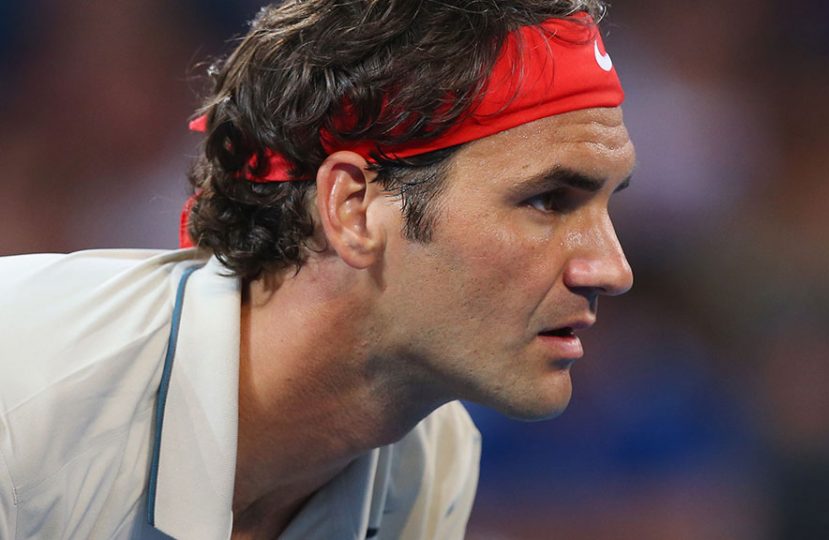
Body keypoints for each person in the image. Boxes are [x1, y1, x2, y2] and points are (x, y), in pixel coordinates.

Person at [0, 0, 634, 537]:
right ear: (353, 208)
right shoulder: (19, 391)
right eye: (547, 200)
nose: (612, 269)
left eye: (609, 204)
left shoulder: (435, 461)